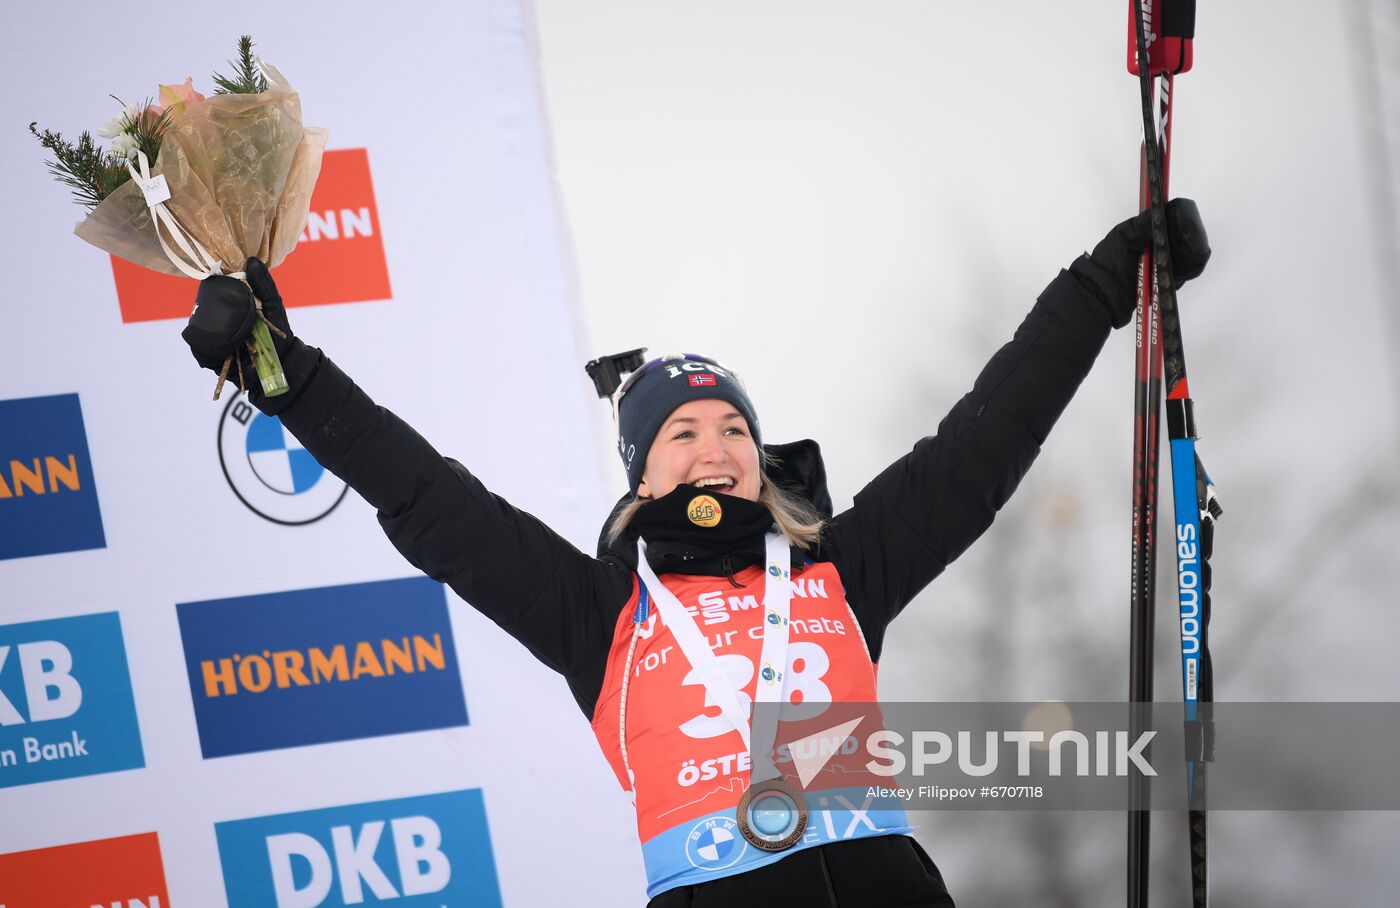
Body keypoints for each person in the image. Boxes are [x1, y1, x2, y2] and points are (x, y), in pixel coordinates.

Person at [182, 200, 1210, 906]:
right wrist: (293, 381)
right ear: (643, 474)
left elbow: (982, 440)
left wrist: (1102, 283)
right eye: (684, 432)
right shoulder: (598, 611)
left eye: (733, 430)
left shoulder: (838, 569)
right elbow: (428, 495)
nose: (716, 446)